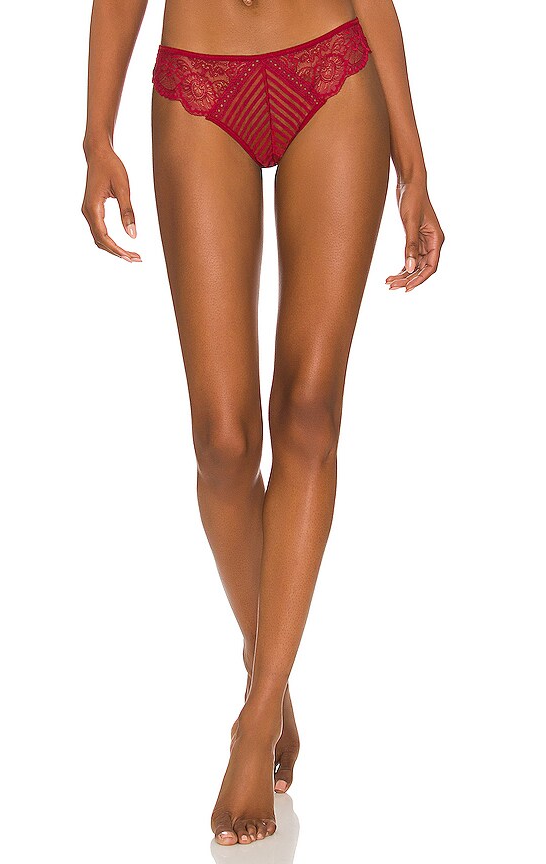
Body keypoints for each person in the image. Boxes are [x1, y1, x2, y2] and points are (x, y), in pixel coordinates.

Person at [81, 0, 445, 846]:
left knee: (310, 411)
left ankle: (256, 718)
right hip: (198, 77)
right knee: (223, 442)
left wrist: (413, 163)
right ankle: (266, 669)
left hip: (331, 64)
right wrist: (96, 133)